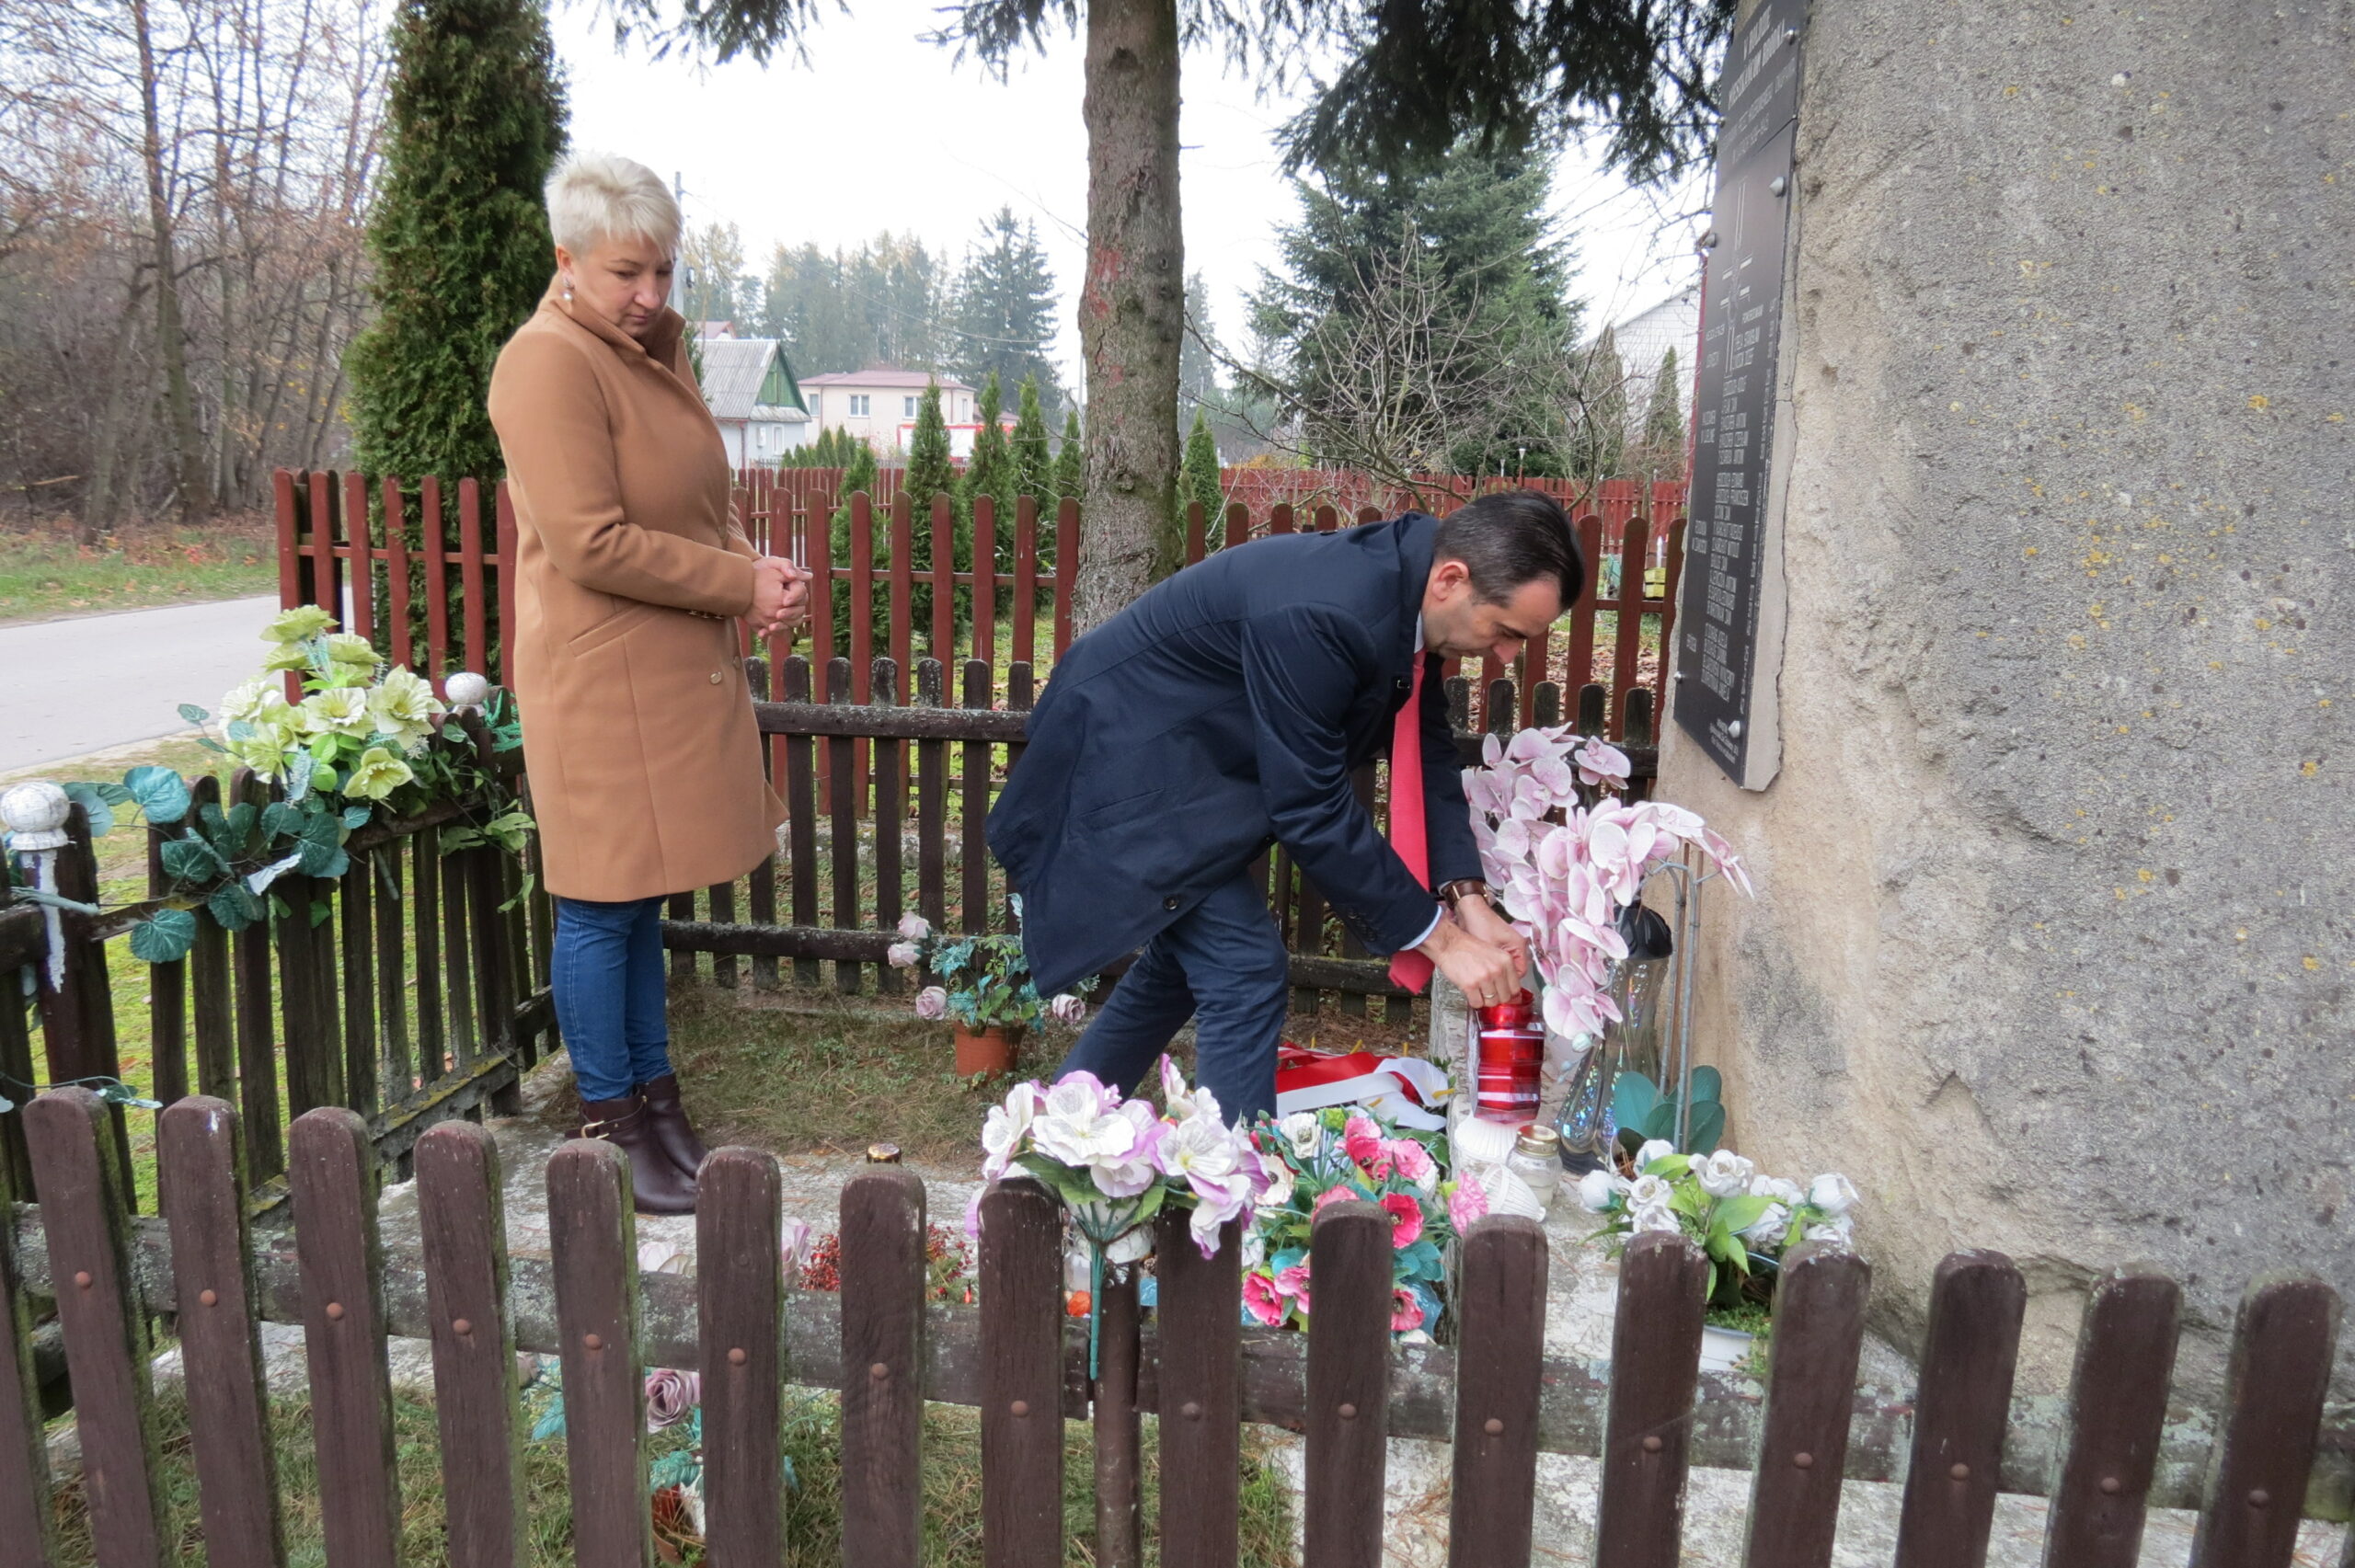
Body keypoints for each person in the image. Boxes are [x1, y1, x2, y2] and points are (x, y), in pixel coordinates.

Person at [988, 489, 1580, 1123]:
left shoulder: (1408, 591)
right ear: (1452, 579)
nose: (1508, 655)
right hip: (1120, 763)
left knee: (1186, 970)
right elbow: (1310, 805)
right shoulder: (1329, 611)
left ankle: (1052, 1141)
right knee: (1243, 971)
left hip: (1185, 771)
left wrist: (1469, 900)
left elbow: (1429, 749)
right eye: (1506, 631)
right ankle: (1230, 1181)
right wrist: (1443, 941)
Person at [488, 153, 808, 1213]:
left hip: (657, 675)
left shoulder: (644, 354)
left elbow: (696, 504)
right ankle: (611, 1123)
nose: (650, 293)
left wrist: (753, 567)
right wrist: (733, 584)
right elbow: (589, 540)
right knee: (597, 902)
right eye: (627, 272)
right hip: (594, 682)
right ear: (567, 259)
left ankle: (657, 1106)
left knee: (638, 905)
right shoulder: (546, 363)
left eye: (663, 270)